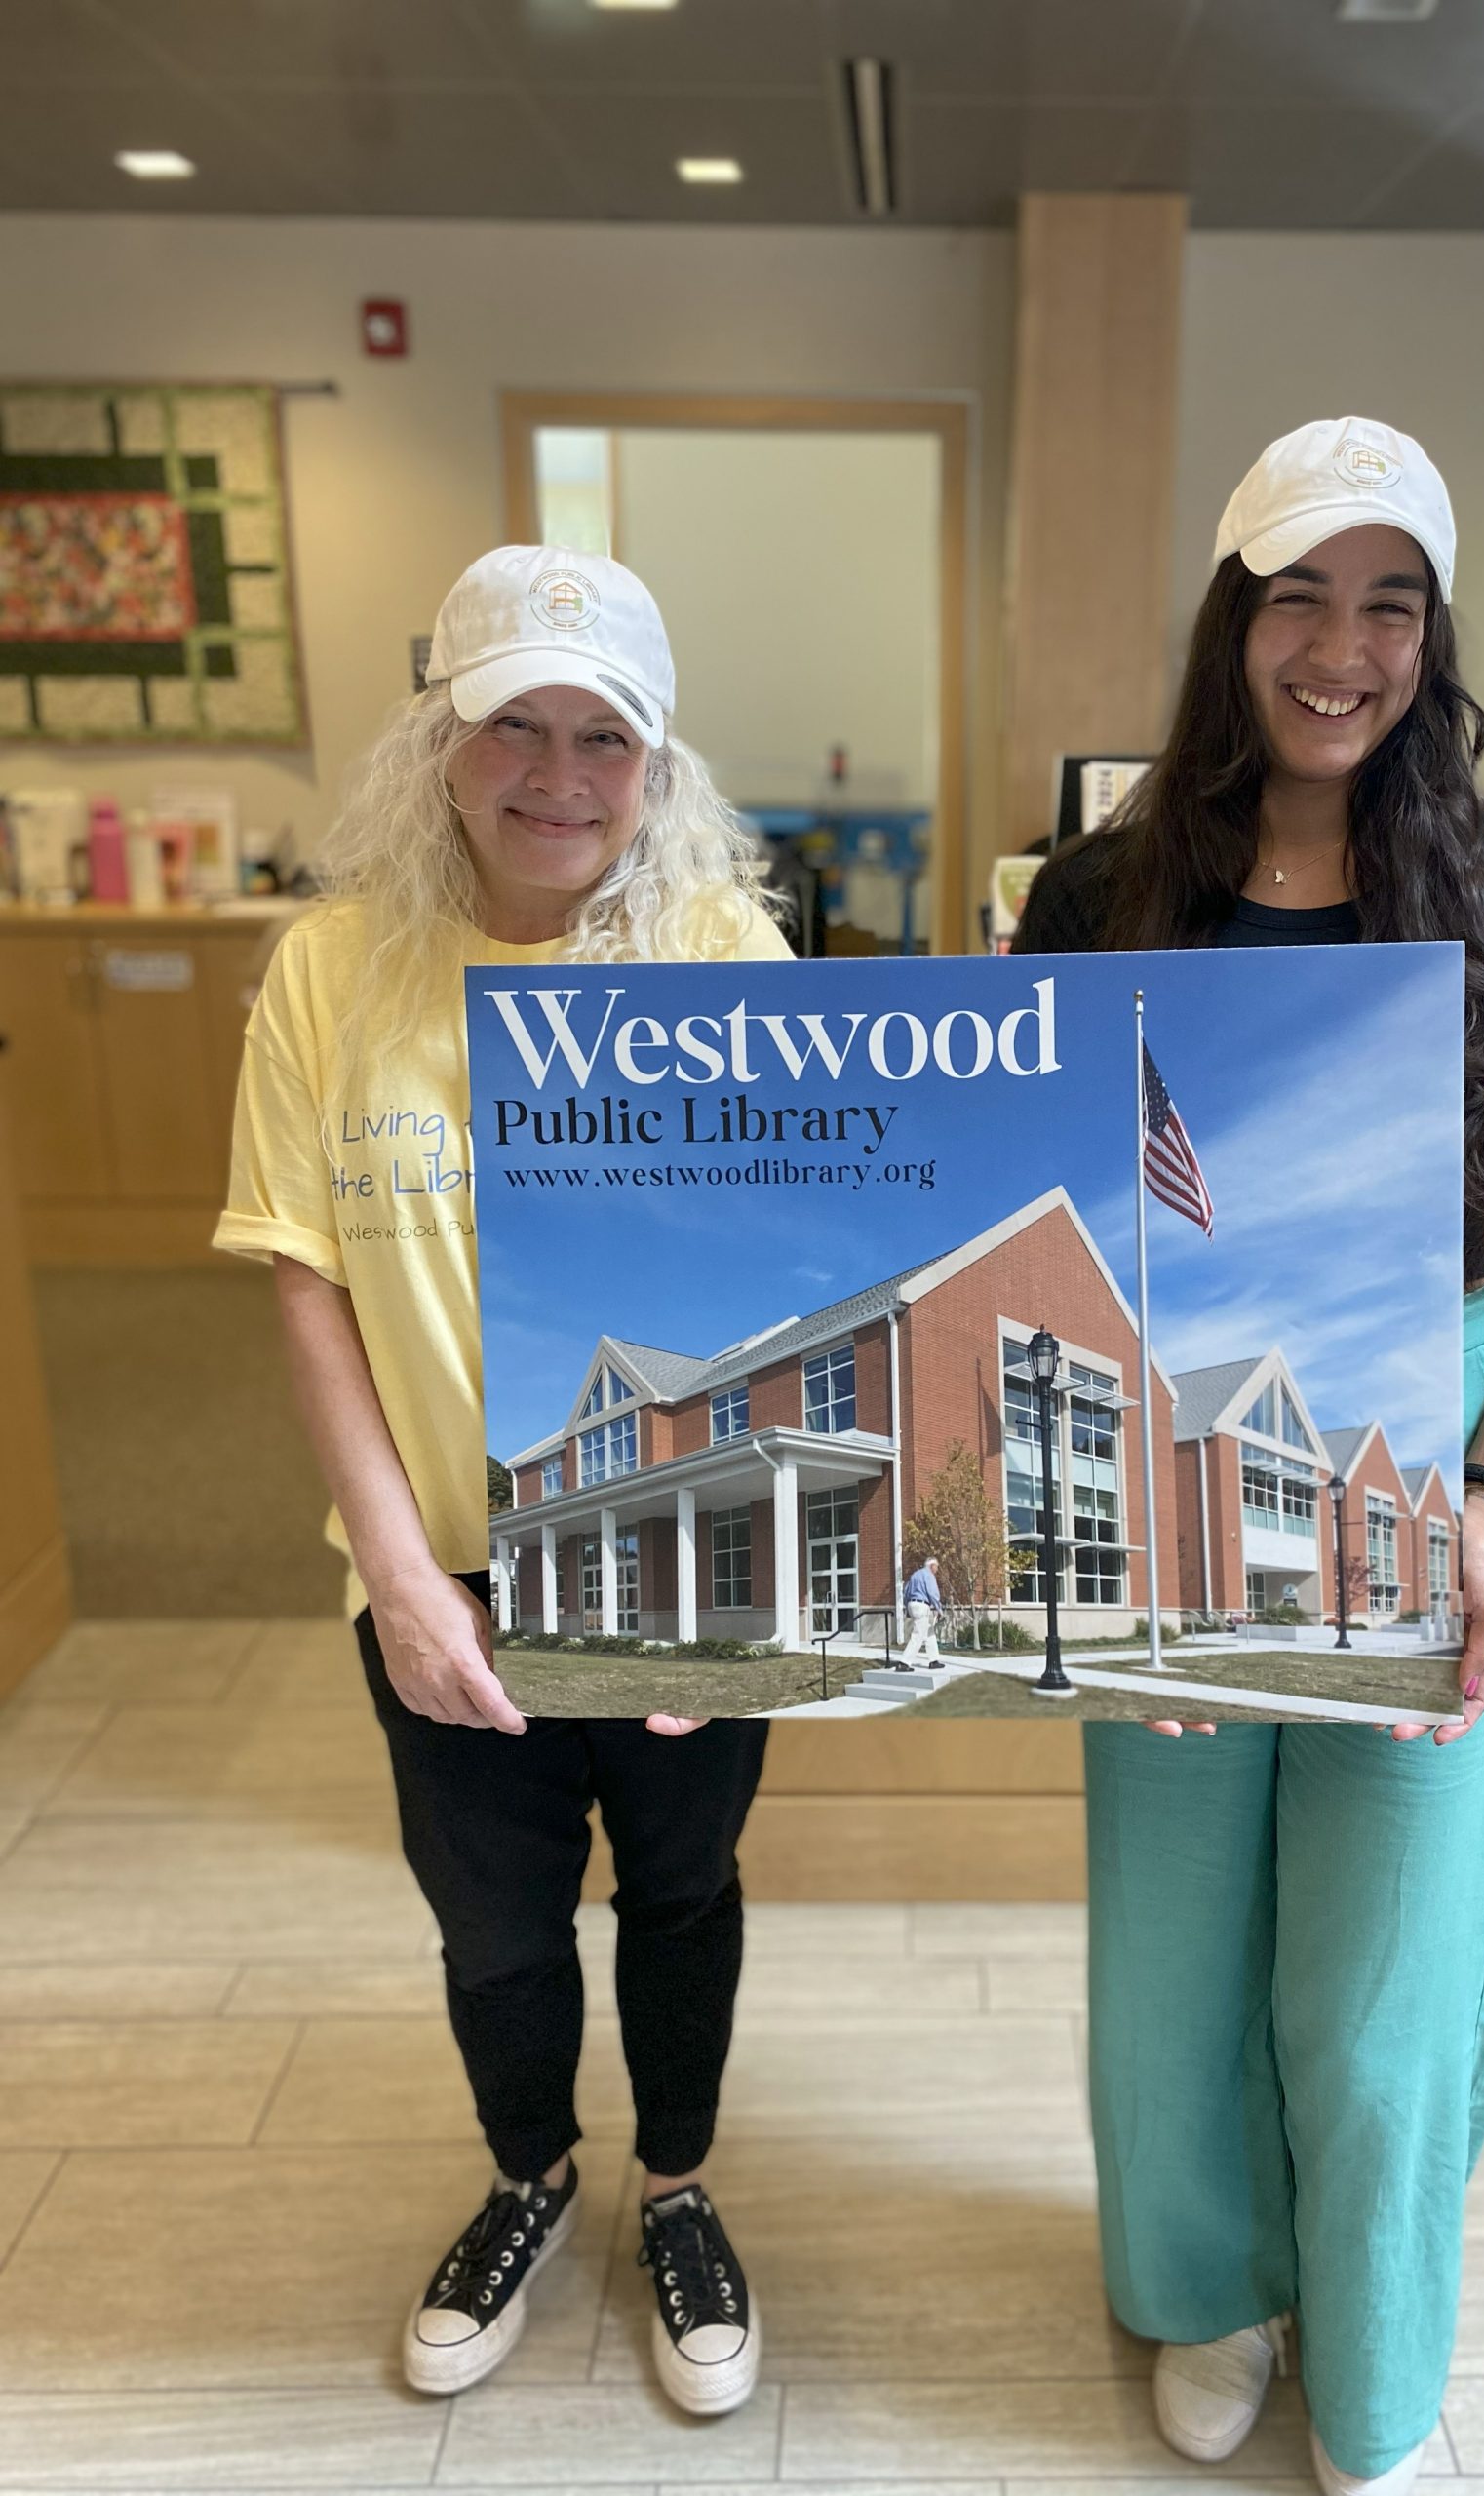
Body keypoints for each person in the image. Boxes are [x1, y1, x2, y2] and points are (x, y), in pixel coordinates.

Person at [1011, 419, 1484, 2495]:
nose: (1342, 644)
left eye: (1391, 599)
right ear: (1234, 614)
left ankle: (1372, 2342)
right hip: (1157, 1422)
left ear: (1434, 631)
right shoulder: (1101, 892)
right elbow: (1039, 1229)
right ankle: (1205, 2286)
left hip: (1429, 1440)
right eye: (1300, 591)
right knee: (1175, 1924)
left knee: (1382, 1952)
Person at [214, 546, 794, 2412]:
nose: (558, 776)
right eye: (512, 729)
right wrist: (397, 1573)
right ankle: (530, 2175)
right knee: (490, 1920)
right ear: (437, 744)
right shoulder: (328, 973)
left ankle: (680, 2186)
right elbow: (308, 1280)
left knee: (685, 1893)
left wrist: (710, 1600)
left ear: (659, 762)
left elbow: (774, 1274)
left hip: (677, 1566)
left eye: (602, 738)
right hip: (445, 1578)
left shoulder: (720, 961)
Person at [901, 1554, 943, 1666]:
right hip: (922, 1605)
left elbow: (906, 1592)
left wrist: (908, 1609)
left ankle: (934, 1660)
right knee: (918, 1635)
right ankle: (904, 1662)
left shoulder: (915, 1575)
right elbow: (933, 1593)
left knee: (929, 1631)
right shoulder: (929, 1575)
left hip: (912, 1603)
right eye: (937, 1567)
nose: (937, 1570)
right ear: (932, 1566)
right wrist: (939, 1609)